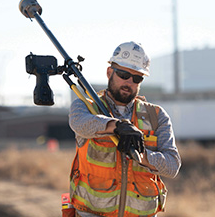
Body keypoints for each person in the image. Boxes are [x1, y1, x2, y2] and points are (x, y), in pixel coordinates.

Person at [68, 41, 181, 217]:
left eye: (137, 78)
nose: (129, 82)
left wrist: (141, 155)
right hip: (92, 213)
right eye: (123, 74)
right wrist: (116, 126)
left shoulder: (156, 115)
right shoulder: (86, 106)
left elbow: (172, 165)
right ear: (109, 72)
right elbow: (80, 124)